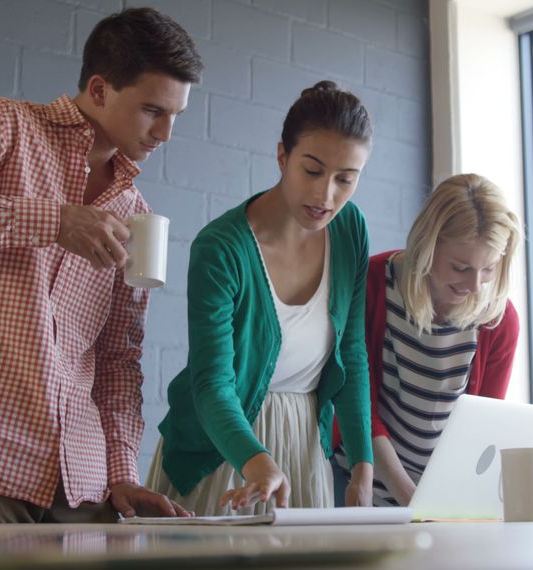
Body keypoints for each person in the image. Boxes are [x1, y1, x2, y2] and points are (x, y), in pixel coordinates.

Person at [0, 8, 202, 523]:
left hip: (83, 487)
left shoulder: (135, 214)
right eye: (153, 109)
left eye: (177, 114)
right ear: (98, 89)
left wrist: (121, 473)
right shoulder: (3, 125)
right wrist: (53, 221)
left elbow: (118, 359)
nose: (166, 133)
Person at [146, 81, 376, 515]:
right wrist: (255, 460)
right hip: (225, 444)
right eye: (312, 170)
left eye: (346, 179)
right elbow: (211, 383)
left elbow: (352, 352)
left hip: (303, 440)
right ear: (282, 156)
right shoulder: (221, 247)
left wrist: (363, 464)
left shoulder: (350, 230)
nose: (327, 196)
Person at [332, 174, 522, 507]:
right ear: (427, 246)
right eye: (460, 267)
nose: (475, 285)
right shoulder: (375, 283)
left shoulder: (498, 321)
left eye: (489, 268)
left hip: (439, 499)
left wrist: (442, 504)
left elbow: (481, 431)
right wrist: (410, 497)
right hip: (355, 482)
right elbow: (358, 402)